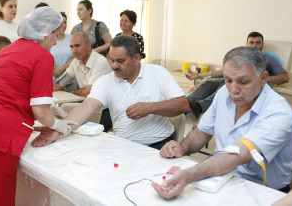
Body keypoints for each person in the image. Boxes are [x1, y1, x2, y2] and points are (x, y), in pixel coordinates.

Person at [0, 7, 76, 206]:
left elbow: (7, 89)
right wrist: (58, 126)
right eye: (56, 35)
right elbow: (40, 112)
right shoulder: (43, 56)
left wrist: (50, 105)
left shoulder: (8, 49)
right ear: (46, 31)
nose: (56, 41)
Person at [152, 46, 292, 199]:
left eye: (243, 82)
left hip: (262, 191)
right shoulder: (223, 93)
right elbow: (202, 132)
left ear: (263, 78)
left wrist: (189, 174)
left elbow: (238, 156)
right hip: (221, 179)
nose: (233, 90)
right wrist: (182, 147)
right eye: (228, 80)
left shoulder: (280, 112)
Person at [32, 35, 189, 149]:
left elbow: (183, 105)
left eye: (120, 61)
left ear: (136, 59)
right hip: (123, 145)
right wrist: (58, 129)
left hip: (159, 145)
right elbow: (85, 108)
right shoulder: (107, 81)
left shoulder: (158, 73)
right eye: (112, 60)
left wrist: (150, 108)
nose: (114, 66)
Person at [185, 31, 290, 119]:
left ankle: (199, 107)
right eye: (251, 42)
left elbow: (284, 77)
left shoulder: (268, 60)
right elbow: (223, 72)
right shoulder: (240, 58)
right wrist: (198, 76)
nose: (255, 45)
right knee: (208, 83)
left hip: (243, 86)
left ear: (262, 44)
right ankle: (185, 103)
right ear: (247, 44)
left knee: (225, 88)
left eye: (258, 43)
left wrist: (261, 79)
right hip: (228, 80)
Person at [53, 32, 111, 97]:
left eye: (77, 46)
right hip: (89, 104)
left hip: (104, 106)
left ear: (88, 45)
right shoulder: (75, 62)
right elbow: (58, 85)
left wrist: (72, 92)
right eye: (71, 47)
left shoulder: (100, 61)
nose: (74, 50)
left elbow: (88, 92)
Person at [50, 12, 75, 90]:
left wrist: (62, 69)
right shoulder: (49, 40)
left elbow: (76, 57)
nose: (64, 25)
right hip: (53, 81)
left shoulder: (72, 38)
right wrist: (55, 71)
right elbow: (44, 58)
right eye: (61, 22)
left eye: (65, 22)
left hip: (71, 80)